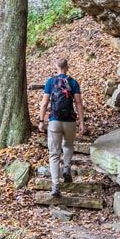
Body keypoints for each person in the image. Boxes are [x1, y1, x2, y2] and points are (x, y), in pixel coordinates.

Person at [38, 58, 85, 197]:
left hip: (54, 121)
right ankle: (66, 167)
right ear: (67, 67)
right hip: (70, 121)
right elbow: (78, 103)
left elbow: (44, 103)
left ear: (56, 66)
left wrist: (41, 121)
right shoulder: (73, 82)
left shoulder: (51, 82)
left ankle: (55, 186)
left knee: (54, 154)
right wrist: (81, 122)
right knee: (69, 145)